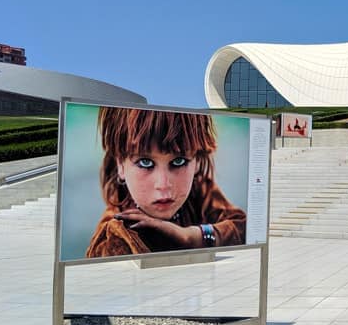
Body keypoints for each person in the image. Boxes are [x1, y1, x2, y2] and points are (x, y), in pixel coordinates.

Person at [86, 107, 246, 257]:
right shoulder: (114, 236)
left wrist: (191, 237)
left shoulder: (199, 190)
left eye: (178, 162)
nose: (163, 185)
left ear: (197, 160)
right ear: (120, 163)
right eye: (145, 163)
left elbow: (246, 228)